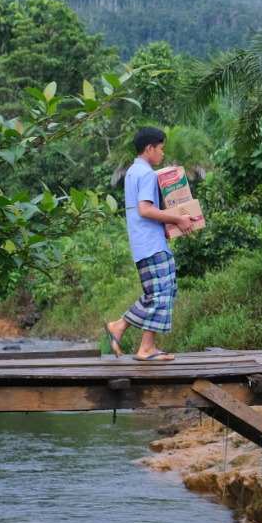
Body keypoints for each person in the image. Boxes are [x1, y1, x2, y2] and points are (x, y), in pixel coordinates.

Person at [103, 127, 196, 362]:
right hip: (151, 245)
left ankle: (122, 328)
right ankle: (143, 347)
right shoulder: (146, 174)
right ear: (149, 148)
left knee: (160, 292)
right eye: (161, 149)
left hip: (145, 242)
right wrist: (177, 219)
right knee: (161, 293)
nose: (162, 153)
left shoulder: (132, 172)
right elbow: (145, 209)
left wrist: (166, 227)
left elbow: (141, 211)